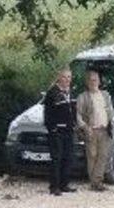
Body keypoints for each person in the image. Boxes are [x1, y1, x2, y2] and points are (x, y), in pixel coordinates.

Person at [76, 69, 114, 192]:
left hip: (104, 130)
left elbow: (110, 110)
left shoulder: (105, 95)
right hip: (91, 130)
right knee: (92, 156)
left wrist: (111, 123)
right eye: (91, 80)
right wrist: (85, 127)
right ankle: (95, 183)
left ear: (99, 81)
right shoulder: (83, 97)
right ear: (87, 82)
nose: (93, 82)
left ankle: (97, 181)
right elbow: (78, 115)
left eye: (95, 80)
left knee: (103, 156)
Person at [43, 68, 77, 196]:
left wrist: (75, 125)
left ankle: (64, 184)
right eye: (64, 77)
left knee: (68, 157)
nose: (67, 80)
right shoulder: (52, 93)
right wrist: (52, 128)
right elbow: (48, 114)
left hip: (69, 130)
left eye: (69, 77)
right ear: (59, 78)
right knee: (56, 158)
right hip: (57, 131)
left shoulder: (71, 92)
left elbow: (73, 110)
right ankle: (54, 186)